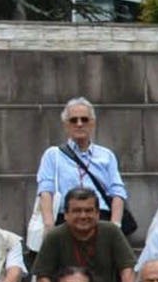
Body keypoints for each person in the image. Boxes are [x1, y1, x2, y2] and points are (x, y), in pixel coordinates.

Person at [32, 188, 135, 282]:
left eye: (88, 211)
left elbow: (127, 271)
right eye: (76, 211)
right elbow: (43, 279)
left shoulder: (111, 232)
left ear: (98, 213)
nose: (83, 216)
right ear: (66, 214)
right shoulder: (55, 236)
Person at [35, 97, 129, 230]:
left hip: (101, 220)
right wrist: (49, 225)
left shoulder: (106, 156)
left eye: (84, 119)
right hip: (65, 220)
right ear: (66, 125)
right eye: (73, 120)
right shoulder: (53, 155)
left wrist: (115, 226)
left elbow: (118, 192)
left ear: (92, 124)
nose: (79, 124)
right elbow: (45, 191)